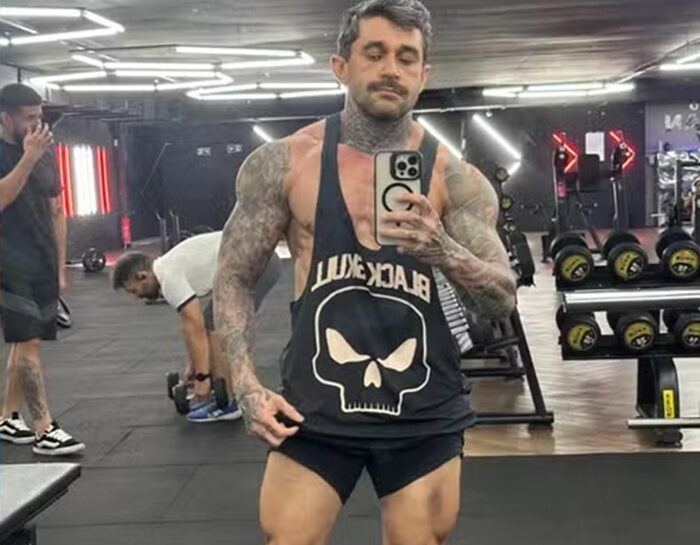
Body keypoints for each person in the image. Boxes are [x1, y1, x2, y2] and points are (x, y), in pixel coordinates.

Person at [213, 0, 517, 543]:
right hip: (315, 405)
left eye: (406, 57)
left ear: (423, 75)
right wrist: (245, 385)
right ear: (341, 66)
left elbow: (500, 299)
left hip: (424, 407)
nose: (390, 69)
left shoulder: (456, 178)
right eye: (374, 53)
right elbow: (234, 276)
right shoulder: (284, 163)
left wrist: (443, 250)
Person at [112, 231, 282, 423]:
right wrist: (194, 365)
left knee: (217, 327)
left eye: (134, 290)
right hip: (257, 261)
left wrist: (202, 378)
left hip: (258, 265)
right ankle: (228, 391)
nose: (137, 297)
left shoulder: (169, 278)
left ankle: (229, 403)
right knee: (213, 323)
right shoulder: (168, 266)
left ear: (142, 276)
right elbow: (190, 327)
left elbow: (196, 326)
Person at [0, 83, 85, 456]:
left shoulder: (44, 152)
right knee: (28, 339)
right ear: (5, 119)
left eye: (40, 116)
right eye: (29, 118)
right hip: (8, 261)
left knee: (26, 340)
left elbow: (56, 209)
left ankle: (6, 416)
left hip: (41, 259)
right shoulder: (20, 152)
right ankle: (44, 429)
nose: (37, 124)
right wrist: (29, 158)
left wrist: (60, 265)